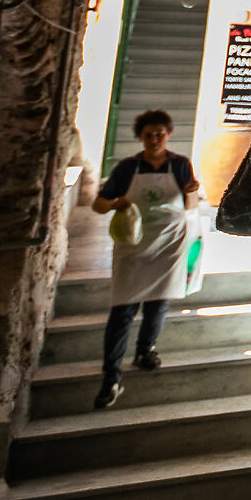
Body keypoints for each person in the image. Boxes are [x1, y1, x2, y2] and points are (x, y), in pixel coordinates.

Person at [91, 109, 200, 409]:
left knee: (158, 303)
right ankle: (111, 378)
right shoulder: (127, 168)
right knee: (122, 311)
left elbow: (189, 206)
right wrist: (115, 203)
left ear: (168, 135)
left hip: (168, 243)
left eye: (160, 134)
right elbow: (97, 205)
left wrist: (192, 192)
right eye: (149, 135)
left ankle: (145, 350)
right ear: (140, 137)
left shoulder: (180, 165)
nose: (154, 139)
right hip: (134, 247)